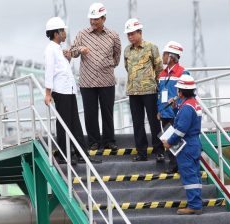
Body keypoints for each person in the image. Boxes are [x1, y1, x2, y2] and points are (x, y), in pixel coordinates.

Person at [44, 17, 101, 164]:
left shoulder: (58, 49)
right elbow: (49, 72)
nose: (65, 33)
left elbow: (62, 70)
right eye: (62, 31)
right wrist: (48, 93)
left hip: (68, 91)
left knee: (75, 124)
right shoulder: (50, 49)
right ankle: (64, 156)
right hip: (60, 91)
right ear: (56, 33)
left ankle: (82, 155)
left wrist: (68, 59)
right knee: (64, 124)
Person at [69, 3, 121, 151]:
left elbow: (117, 56)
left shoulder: (113, 35)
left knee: (107, 111)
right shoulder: (82, 34)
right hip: (87, 81)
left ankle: (109, 141)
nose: (93, 22)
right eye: (91, 19)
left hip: (107, 80)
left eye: (96, 19)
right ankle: (93, 142)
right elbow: (72, 52)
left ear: (104, 18)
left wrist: (108, 65)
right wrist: (80, 49)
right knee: (90, 113)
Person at [124, 18, 164, 162]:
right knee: (137, 122)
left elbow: (159, 68)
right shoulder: (127, 50)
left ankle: (159, 150)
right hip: (133, 92)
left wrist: (159, 87)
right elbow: (127, 67)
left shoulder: (151, 47)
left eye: (132, 34)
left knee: (154, 122)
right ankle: (141, 152)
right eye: (128, 34)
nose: (130, 37)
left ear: (140, 32)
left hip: (150, 91)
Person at [162, 75, 202, 215]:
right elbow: (183, 120)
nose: (177, 92)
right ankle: (195, 202)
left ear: (181, 92)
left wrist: (169, 142)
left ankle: (194, 205)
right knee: (195, 174)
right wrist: (174, 108)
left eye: (178, 90)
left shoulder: (186, 108)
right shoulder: (192, 103)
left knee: (189, 174)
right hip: (194, 143)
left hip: (186, 145)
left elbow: (180, 130)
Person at [157, 41, 188, 172]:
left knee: (176, 139)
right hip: (164, 113)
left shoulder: (183, 73)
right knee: (167, 140)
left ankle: (177, 166)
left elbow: (186, 94)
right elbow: (159, 94)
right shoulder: (162, 74)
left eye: (164, 54)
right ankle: (173, 165)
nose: (162, 57)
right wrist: (159, 110)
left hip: (176, 113)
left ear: (171, 56)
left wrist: (179, 107)